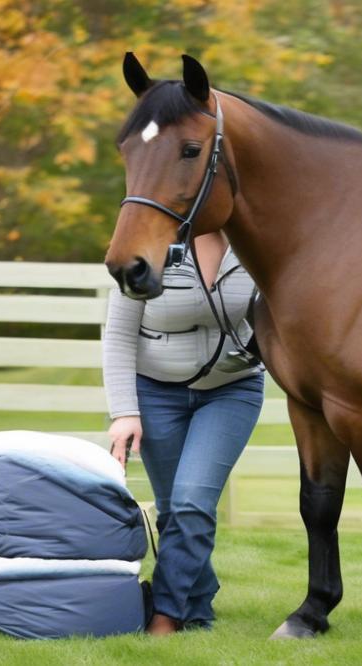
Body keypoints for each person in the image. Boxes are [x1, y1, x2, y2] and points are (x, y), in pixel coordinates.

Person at [102, 231, 263, 635]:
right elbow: (119, 334)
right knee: (173, 509)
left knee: (192, 502)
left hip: (231, 390)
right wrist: (125, 411)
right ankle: (199, 604)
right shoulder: (149, 244)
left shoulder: (255, 242)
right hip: (154, 391)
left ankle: (165, 615)